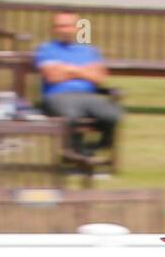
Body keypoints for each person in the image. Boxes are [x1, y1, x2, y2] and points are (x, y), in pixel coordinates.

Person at [34, 11, 122, 159]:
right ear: (54, 30)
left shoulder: (89, 51)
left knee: (112, 114)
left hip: (88, 96)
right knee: (71, 115)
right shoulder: (46, 49)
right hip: (58, 96)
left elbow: (99, 77)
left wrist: (67, 69)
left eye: (68, 26)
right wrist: (84, 71)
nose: (64, 30)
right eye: (59, 26)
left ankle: (94, 147)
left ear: (76, 28)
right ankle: (72, 152)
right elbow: (52, 76)